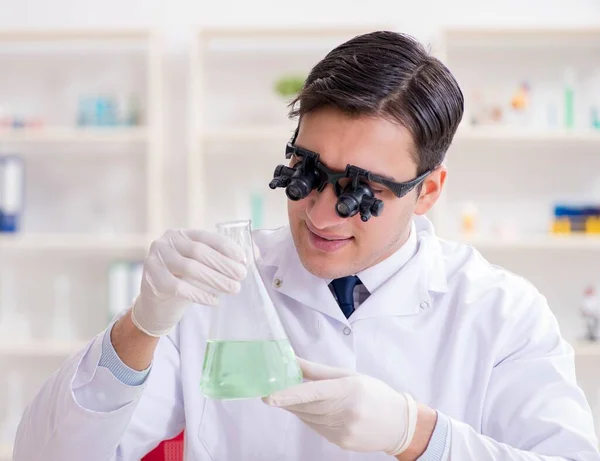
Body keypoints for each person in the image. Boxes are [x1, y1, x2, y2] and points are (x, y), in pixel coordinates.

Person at [14, 31, 600, 461]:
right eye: (307, 173)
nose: (321, 213)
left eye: (360, 192)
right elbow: (45, 453)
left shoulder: (502, 313)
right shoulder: (220, 289)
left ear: (428, 193)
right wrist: (139, 328)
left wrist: (417, 434)